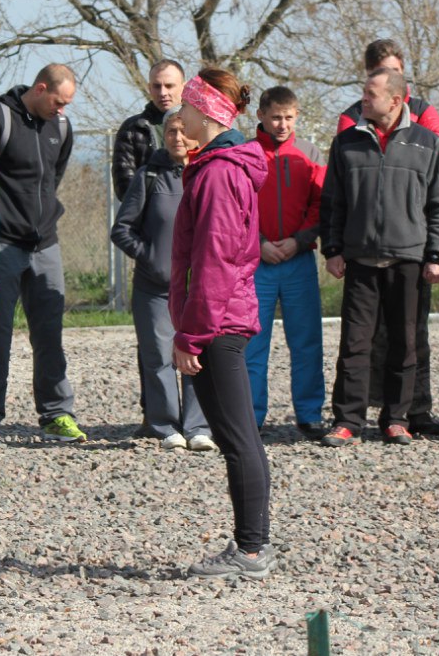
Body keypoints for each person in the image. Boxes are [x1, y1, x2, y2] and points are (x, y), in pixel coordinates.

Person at [171, 68, 274, 580]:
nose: (180, 114)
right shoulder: (216, 165)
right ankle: (252, 546)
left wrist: (192, 334)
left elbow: (213, 264)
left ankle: (251, 552)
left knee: (239, 440)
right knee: (238, 437)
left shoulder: (217, 172)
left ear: (207, 111)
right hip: (220, 320)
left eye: (187, 105)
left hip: (219, 325)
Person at [320, 67, 439, 447]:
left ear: (396, 100)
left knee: (404, 342)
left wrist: (436, 255)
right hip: (360, 260)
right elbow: (333, 202)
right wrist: (333, 249)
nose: (364, 98)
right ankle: (348, 421)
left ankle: (396, 418)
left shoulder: (427, 144)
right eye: (364, 91)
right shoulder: (346, 143)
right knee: (354, 344)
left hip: (409, 259)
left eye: (371, 93)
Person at [0, 63, 86, 445]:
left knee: (50, 334)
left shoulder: (62, 127)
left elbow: (53, 177)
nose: (62, 109)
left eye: (67, 103)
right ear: (40, 88)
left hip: (46, 245)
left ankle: (56, 415)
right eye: (58, 101)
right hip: (0, 245)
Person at [110, 107, 215, 452]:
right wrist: (150, 256)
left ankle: (198, 426)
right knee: (158, 357)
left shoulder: (208, 173)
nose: (179, 138)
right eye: (171, 131)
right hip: (154, 289)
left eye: (185, 131)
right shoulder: (148, 176)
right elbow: (122, 229)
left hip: (198, 288)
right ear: (164, 136)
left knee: (197, 357)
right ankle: (165, 426)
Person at [246, 86, 327, 439]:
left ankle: (309, 414)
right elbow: (238, 207)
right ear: (261, 116)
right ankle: (250, 415)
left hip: (299, 260)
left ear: (297, 117)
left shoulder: (310, 153)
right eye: (276, 117)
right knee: (252, 343)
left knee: (307, 341)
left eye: (289, 118)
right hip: (257, 262)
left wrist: (300, 240)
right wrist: (260, 243)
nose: (282, 125)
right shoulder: (245, 153)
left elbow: (321, 203)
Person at [112, 59, 186, 201]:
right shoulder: (132, 129)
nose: (163, 92)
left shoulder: (199, 125)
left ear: (184, 87)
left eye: (169, 86)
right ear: (149, 88)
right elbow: (124, 186)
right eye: (157, 86)